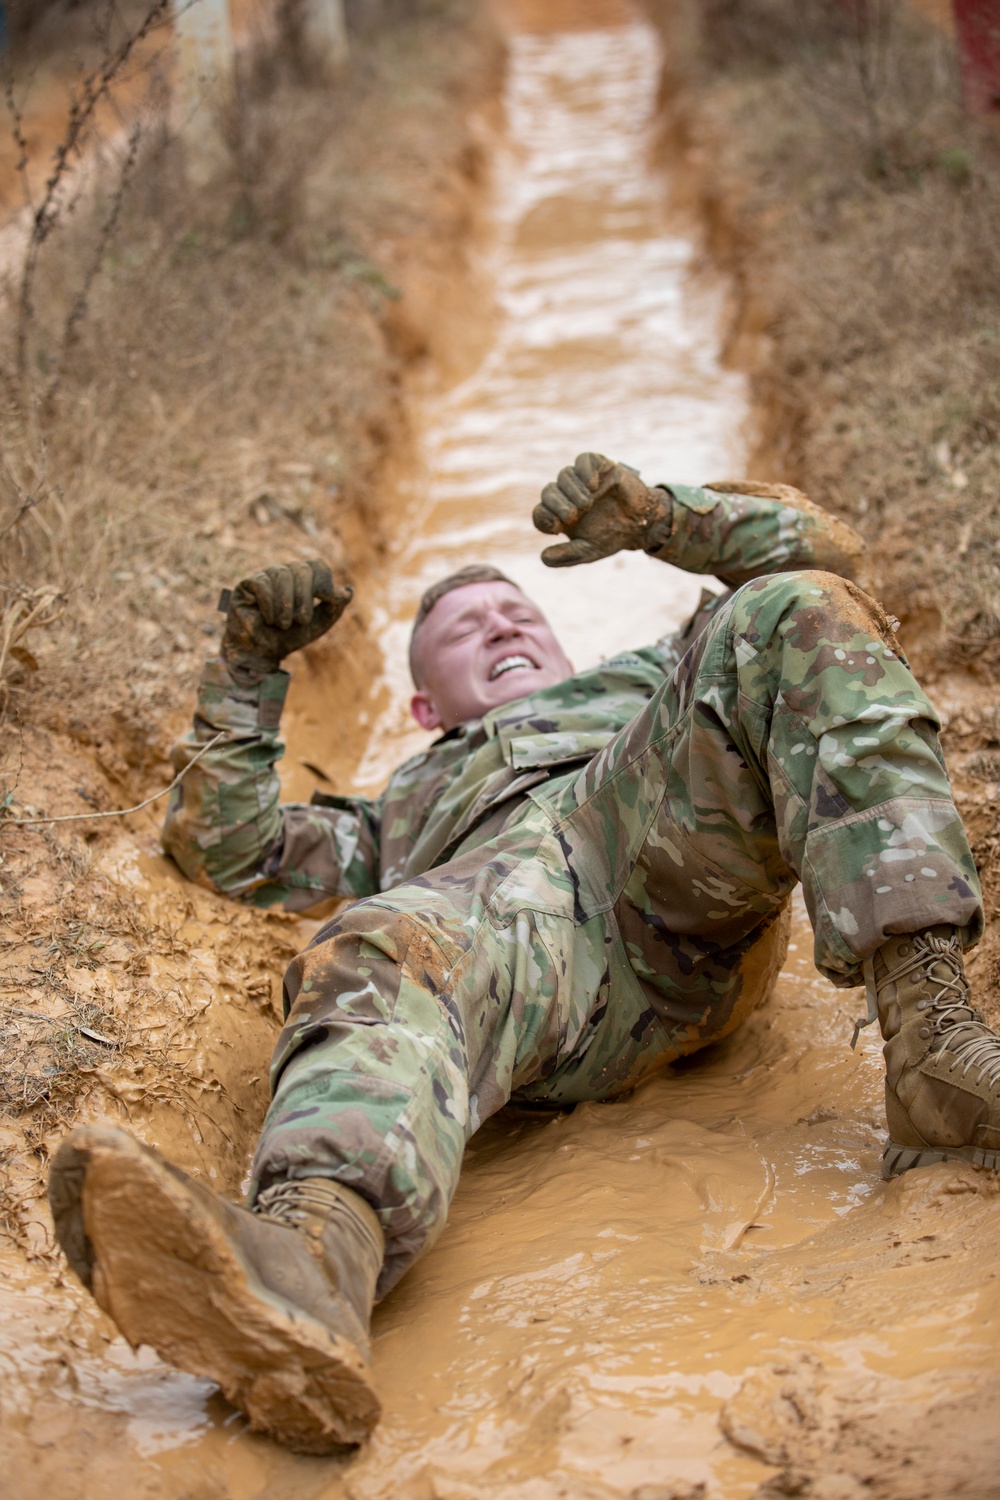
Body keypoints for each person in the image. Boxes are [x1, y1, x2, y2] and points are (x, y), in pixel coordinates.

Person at [48, 454, 998, 1456]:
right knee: (376, 937)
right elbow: (223, 847)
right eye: (463, 629)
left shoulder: (641, 683)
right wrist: (244, 674)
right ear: (422, 708)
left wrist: (662, 519)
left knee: (795, 610)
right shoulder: (397, 811)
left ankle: (933, 1046)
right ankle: (313, 1261)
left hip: (666, 872)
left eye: (516, 613)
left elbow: (823, 563)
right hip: (513, 963)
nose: (499, 624)